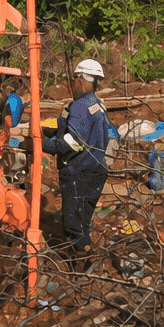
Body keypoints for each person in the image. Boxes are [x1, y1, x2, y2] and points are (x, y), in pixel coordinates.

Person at [41, 59, 112, 255]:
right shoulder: (97, 105)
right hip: (96, 170)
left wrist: (41, 144)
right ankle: (86, 253)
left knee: (73, 226)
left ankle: (82, 262)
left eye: (73, 81)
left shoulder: (79, 106)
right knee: (83, 221)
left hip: (79, 173)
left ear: (79, 81)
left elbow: (73, 143)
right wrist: (55, 130)